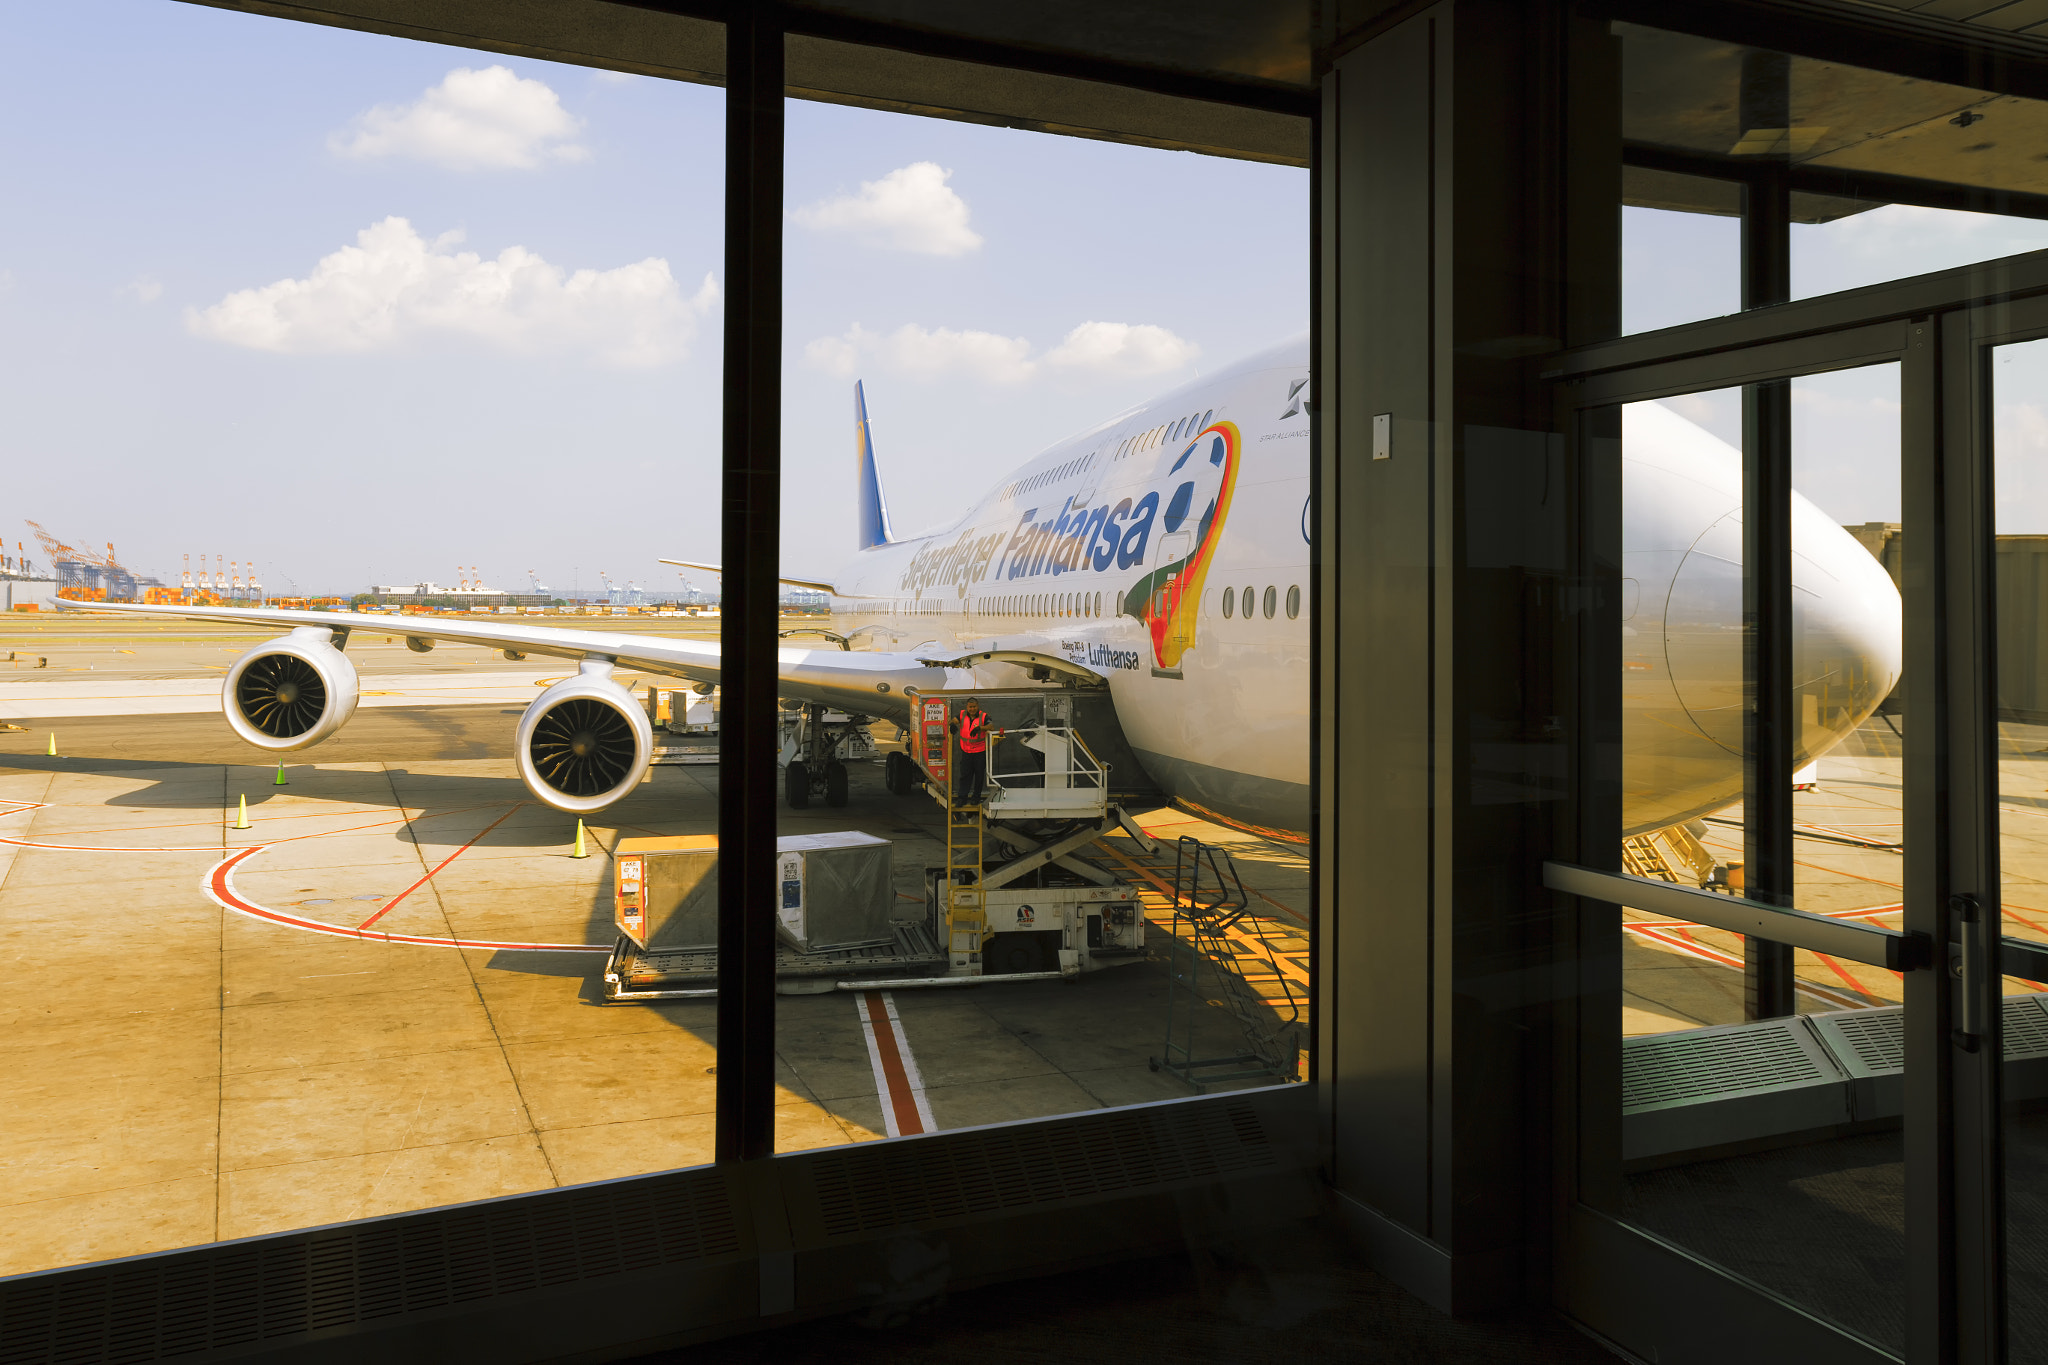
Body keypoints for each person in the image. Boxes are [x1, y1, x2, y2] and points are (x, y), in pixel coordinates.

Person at [952, 697, 991, 805]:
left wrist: (980, 728)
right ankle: (962, 798)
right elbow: (954, 720)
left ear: (977, 706)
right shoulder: (962, 714)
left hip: (979, 752)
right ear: (967, 707)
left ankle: (976, 797)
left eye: (974, 707)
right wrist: (952, 724)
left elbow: (991, 726)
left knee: (979, 776)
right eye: (970, 707)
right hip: (966, 752)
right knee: (965, 776)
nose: (972, 709)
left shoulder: (983, 716)